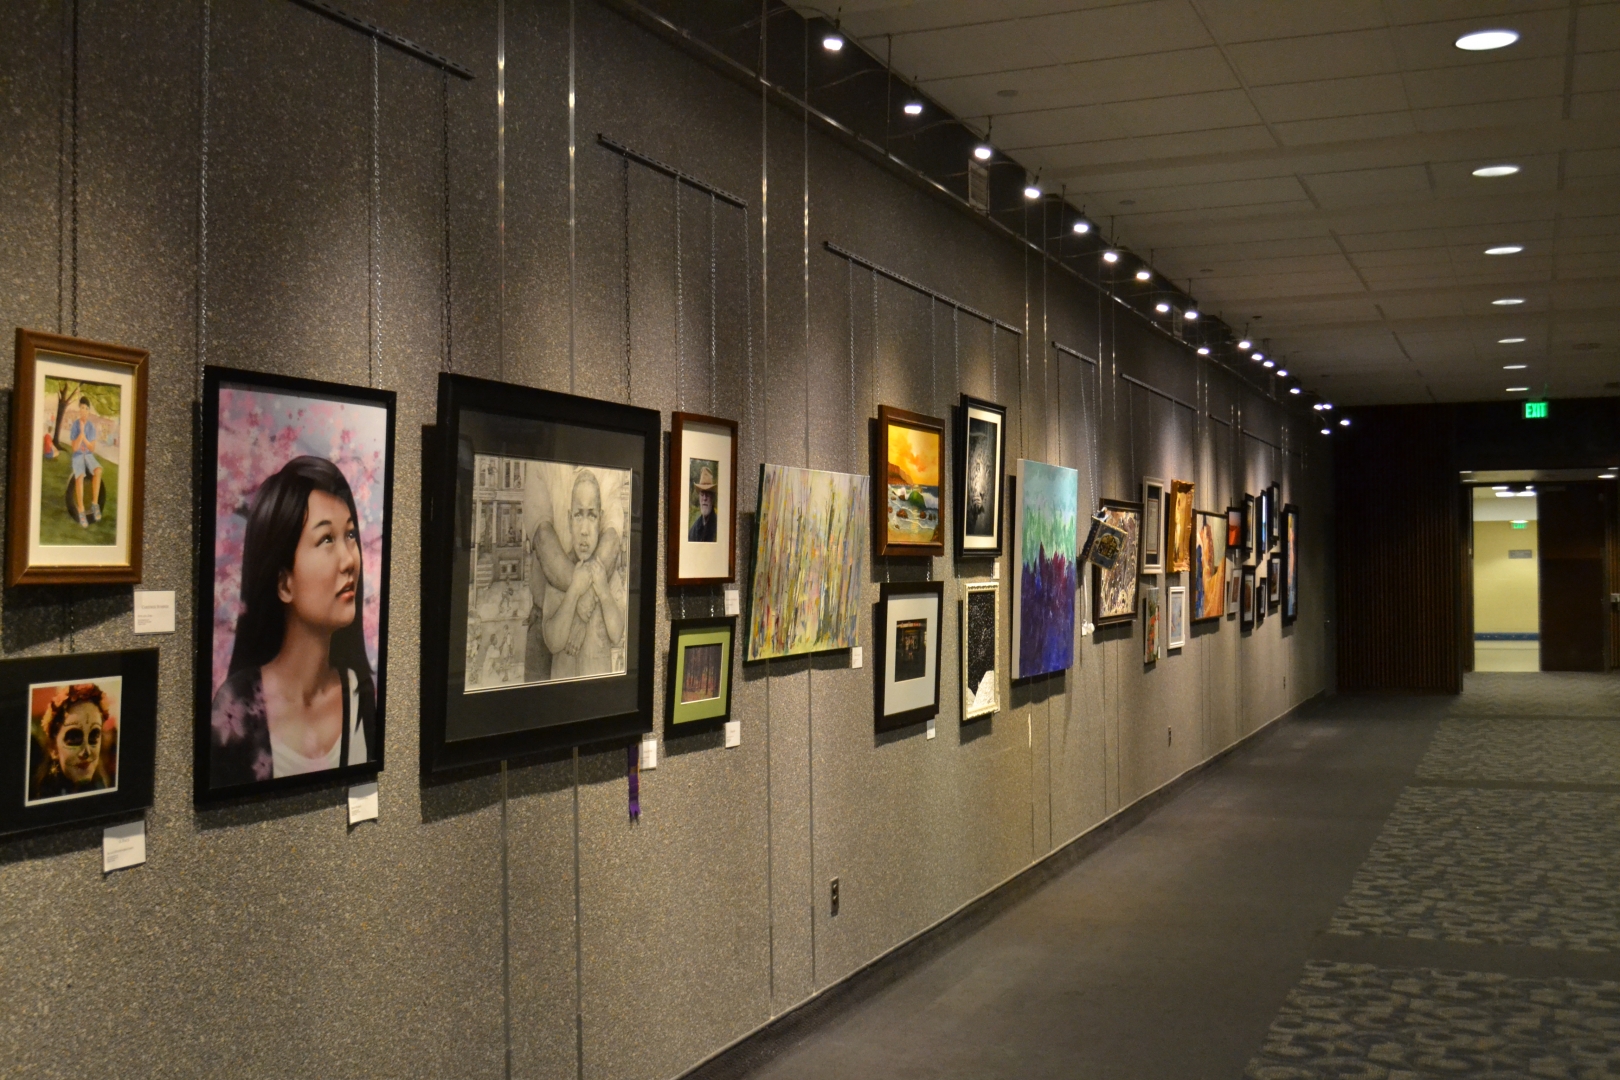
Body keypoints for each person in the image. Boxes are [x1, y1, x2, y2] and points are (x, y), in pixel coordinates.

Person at [210, 456, 376, 787]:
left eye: (351, 535)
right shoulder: (236, 707)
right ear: (284, 584)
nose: (349, 561)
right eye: (326, 539)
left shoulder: (364, 696)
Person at [543, 469, 627, 679]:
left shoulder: (609, 576)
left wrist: (604, 593)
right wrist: (573, 592)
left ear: (601, 520)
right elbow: (553, 642)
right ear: (569, 519)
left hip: (599, 693)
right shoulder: (557, 575)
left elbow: (617, 635)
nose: (584, 530)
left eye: (592, 515)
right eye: (579, 515)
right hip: (563, 695)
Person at [30, 684, 114, 801]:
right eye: (74, 738)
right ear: (53, 748)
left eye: (94, 736)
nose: (87, 752)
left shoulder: (101, 786)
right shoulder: (39, 794)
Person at [68, 396, 104, 528]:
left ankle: (95, 504)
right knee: (80, 476)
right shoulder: (75, 425)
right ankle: (81, 509)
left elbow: (92, 448)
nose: (84, 410)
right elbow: (74, 448)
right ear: (79, 409)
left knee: (98, 470)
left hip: (88, 455)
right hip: (78, 455)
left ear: (88, 411)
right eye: (82, 408)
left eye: (86, 408)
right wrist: (81, 435)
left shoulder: (91, 427)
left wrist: (85, 437)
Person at [688, 465, 718, 542]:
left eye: (707, 494)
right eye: (702, 494)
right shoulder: (693, 530)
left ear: (712, 498)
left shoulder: (719, 526)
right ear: (699, 498)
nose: (704, 498)